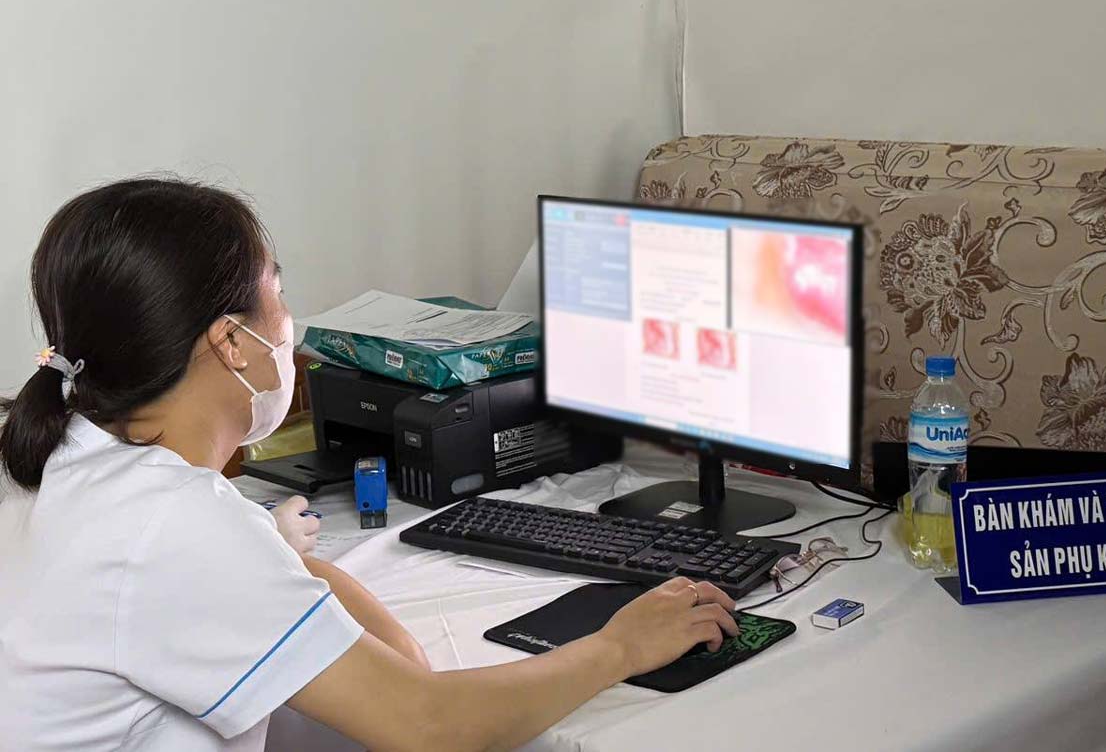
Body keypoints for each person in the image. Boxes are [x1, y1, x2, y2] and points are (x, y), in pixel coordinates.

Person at [0, 178, 739, 752]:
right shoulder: (173, 527)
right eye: (278, 295)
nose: (289, 325)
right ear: (230, 342)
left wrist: (275, 559)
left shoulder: (61, 455)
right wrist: (619, 646)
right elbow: (425, 722)